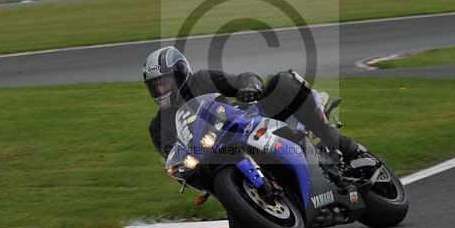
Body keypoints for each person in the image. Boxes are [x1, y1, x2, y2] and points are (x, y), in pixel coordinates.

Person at [143, 46, 359, 163]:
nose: (160, 90)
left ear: (180, 75)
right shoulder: (158, 126)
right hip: (214, 158)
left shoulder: (202, 79)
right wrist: (181, 163)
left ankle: (332, 136)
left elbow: (242, 79)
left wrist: (250, 87)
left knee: (283, 81)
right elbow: (170, 155)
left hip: (247, 124)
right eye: (155, 87)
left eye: (165, 83)